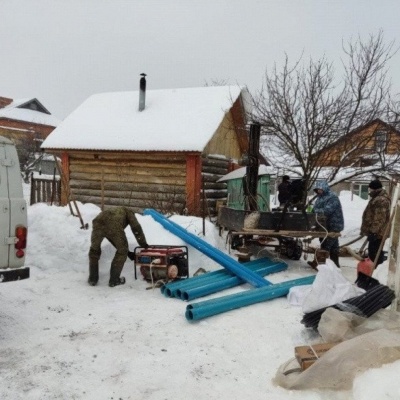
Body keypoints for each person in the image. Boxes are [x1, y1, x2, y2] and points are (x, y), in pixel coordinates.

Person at [88, 206, 149, 287]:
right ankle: (114, 280)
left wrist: (128, 253)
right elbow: (136, 229)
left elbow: (111, 236)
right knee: (122, 251)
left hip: (97, 221)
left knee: (94, 250)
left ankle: (92, 279)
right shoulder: (129, 213)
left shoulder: (115, 210)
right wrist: (144, 245)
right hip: (113, 224)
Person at [309, 180, 344, 268]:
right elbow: (315, 208)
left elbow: (327, 210)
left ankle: (321, 264)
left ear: (325, 188)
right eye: (317, 189)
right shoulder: (320, 197)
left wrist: (315, 211)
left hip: (333, 224)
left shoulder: (332, 197)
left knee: (326, 244)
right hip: (324, 225)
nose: (319, 191)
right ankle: (335, 264)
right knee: (334, 246)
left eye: (320, 189)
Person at [360, 179, 391, 267]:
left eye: (370, 189)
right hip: (376, 232)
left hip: (378, 233)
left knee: (375, 253)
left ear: (375, 189)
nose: (369, 191)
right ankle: (374, 269)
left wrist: (373, 232)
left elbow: (379, 218)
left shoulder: (381, 200)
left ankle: (375, 270)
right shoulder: (377, 198)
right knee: (373, 252)